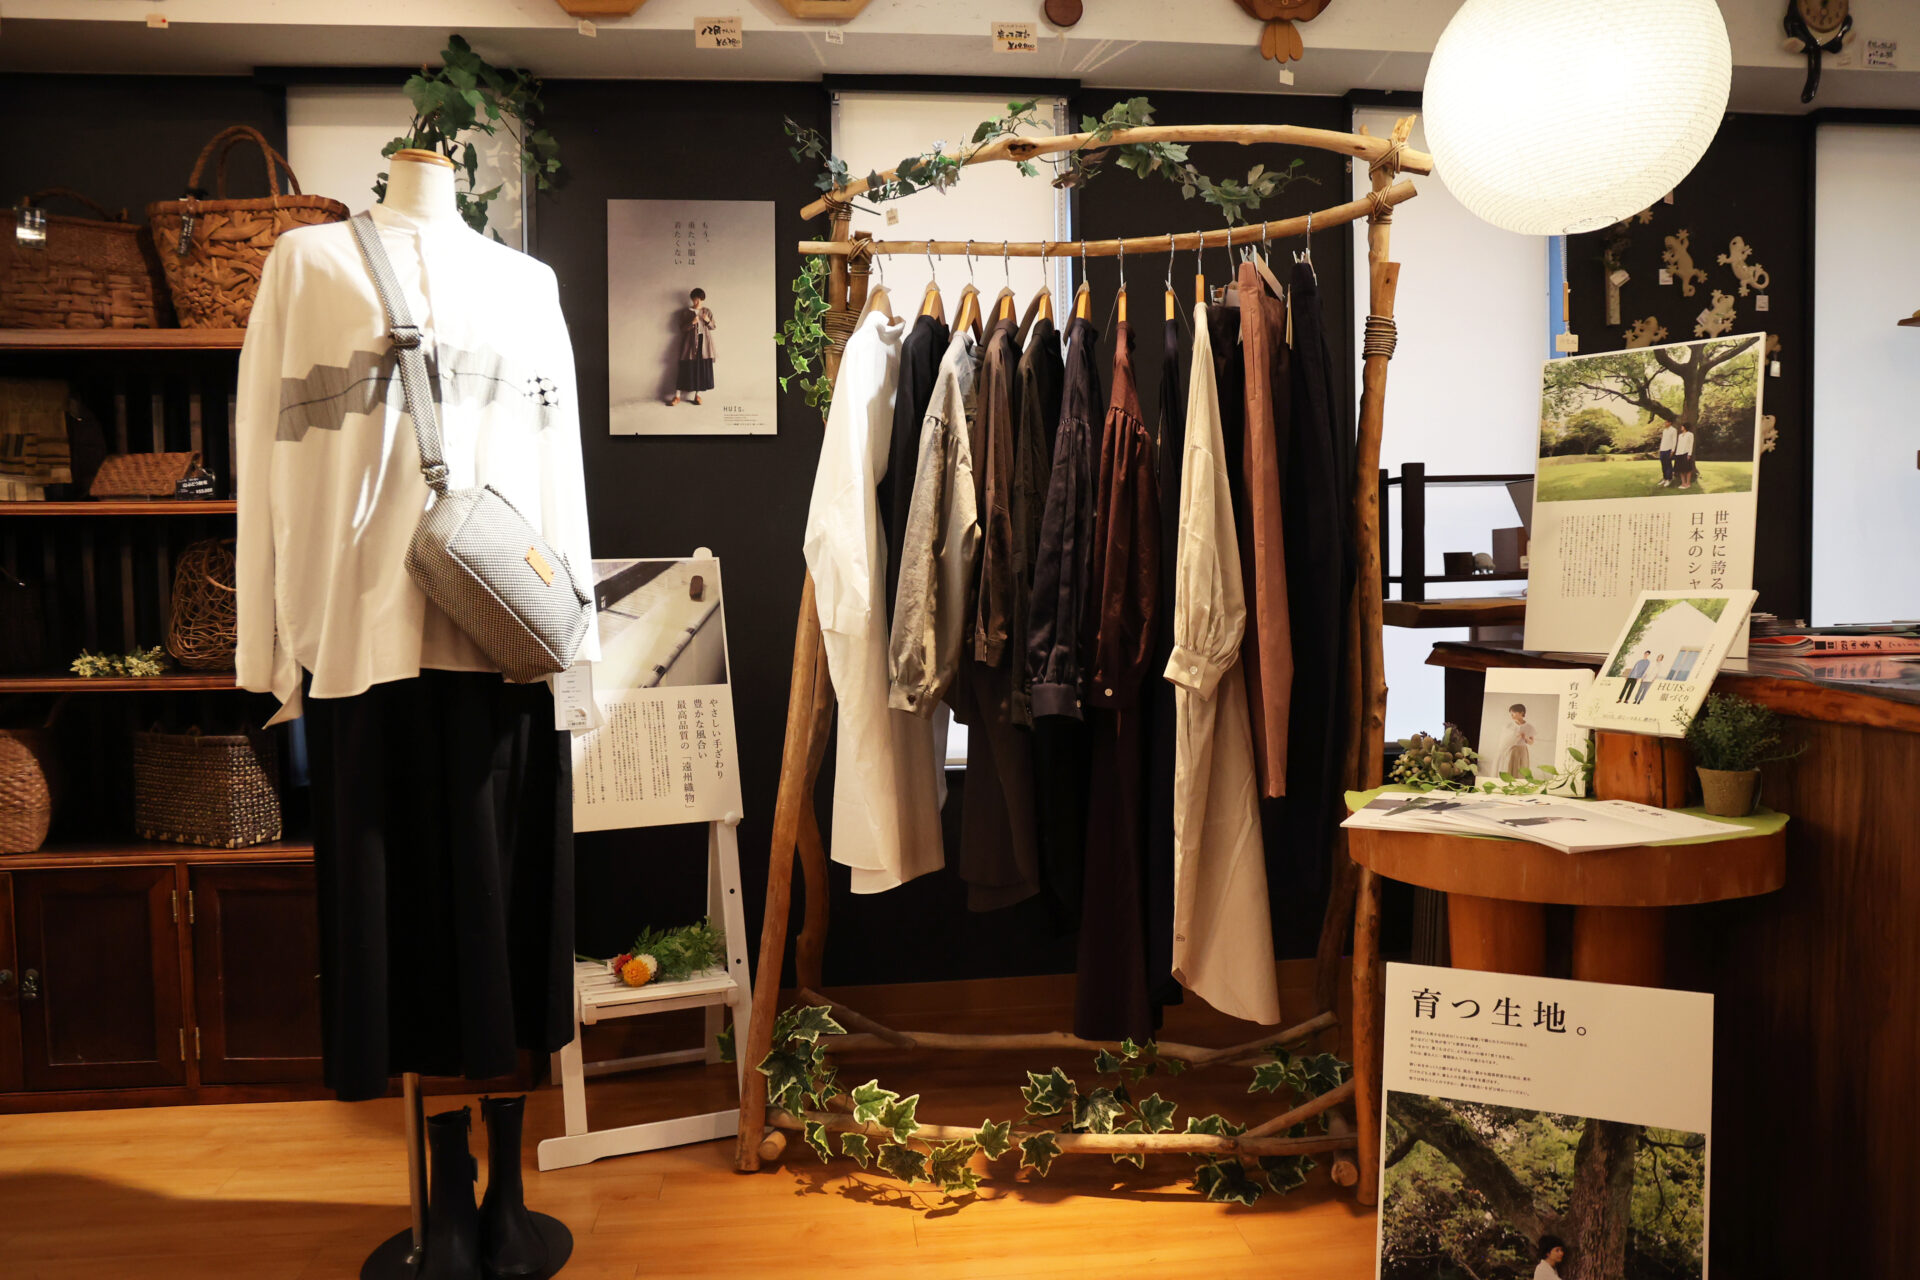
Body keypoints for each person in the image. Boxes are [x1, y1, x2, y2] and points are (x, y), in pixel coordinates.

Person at [666, 287, 716, 406]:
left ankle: (697, 395)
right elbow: (682, 328)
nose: (697, 302)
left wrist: (707, 320)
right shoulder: (686, 312)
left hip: (704, 344)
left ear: (703, 299)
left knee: (701, 368)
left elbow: (713, 327)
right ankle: (677, 396)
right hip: (689, 344)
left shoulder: (707, 311)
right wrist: (692, 323)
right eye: (695, 299)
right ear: (692, 299)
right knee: (685, 368)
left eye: (699, 299)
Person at [1495, 702, 1537, 775]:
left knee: (1522, 770)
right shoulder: (1509, 726)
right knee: (1509, 768)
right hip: (1511, 750)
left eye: (1513, 713)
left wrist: (1525, 737)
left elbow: (1531, 742)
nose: (1511, 715)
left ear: (1521, 713)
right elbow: (1503, 741)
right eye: (1511, 713)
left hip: (1522, 751)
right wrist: (1514, 736)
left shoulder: (1529, 727)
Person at [1674, 423, 1696, 488]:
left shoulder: (1690, 434)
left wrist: (1689, 454)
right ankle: (1683, 483)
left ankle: (1688, 483)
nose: (1681, 427)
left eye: (1682, 426)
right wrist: (1676, 453)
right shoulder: (1680, 435)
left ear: (1685, 427)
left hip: (1686, 453)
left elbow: (1691, 444)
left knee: (1687, 469)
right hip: (1679, 453)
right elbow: (1678, 445)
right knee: (1681, 469)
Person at [1657, 421, 1678, 487]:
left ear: (1670, 423)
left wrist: (1672, 450)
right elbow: (1663, 440)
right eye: (1665, 422)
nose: (1665, 423)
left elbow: (1674, 440)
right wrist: (1660, 449)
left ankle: (1669, 479)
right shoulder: (1664, 430)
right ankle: (1665, 478)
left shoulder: (1673, 430)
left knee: (1668, 464)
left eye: (1666, 422)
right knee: (1663, 465)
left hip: (1669, 450)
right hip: (1662, 450)